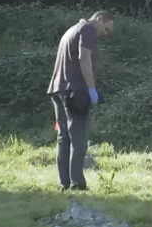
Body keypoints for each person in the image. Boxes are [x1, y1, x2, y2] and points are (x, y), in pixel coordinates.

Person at [47, 11, 115, 191]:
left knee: (63, 138)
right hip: (75, 92)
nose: (105, 34)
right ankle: (77, 184)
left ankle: (64, 183)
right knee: (78, 139)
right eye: (106, 29)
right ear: (100, 19)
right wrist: (91, 88)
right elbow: (84, 58)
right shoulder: (87, 30)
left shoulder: (72, 30)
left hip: (57, 89)